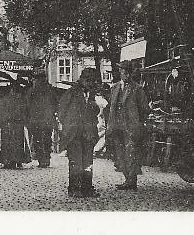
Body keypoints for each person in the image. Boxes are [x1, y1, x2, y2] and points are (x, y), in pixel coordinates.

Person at [57, 67, 101, 198]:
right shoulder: (71, 93)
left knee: (88, 162)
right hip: (74, 133)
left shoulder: (92, 95)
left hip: (88, 133)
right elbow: (62, 111)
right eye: (88, 81)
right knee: (76, 161)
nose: (90, 84)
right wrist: (69, 126)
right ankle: (74, 188)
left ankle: (87, 188)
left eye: (92, 81)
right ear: (82, 80)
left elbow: (95, 112)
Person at [107, 61, 149, 191]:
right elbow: (110, 108)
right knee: (119, 154)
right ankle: (127, 179)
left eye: (126, 72)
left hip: (131, 127)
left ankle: (132, 181)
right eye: (122, 71)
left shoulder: (137, 89)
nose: (124, 74)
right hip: (116, 126)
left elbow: (144, 109)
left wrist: (137, 122)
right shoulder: (114, 88)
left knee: (131, 153)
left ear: (130, 73)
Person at [0, 83, 30, 169]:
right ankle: (17, 160)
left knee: (8, 143)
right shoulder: (20, 101)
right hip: (17, 124)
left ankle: (8, 161)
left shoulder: (4, 101)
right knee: (17, 143)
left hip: (8, 124)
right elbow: (25, 112)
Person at [25, 75, 57, 168]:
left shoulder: (32, 91)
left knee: (38, 140)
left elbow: (27, 105)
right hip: (47, 120)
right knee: (47, 139)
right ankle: (46, 159)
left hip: (36, 120)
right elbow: (56, 103)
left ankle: (42, 159)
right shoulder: (50, 91)